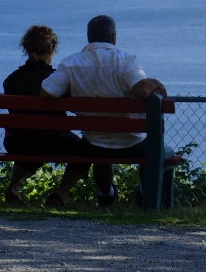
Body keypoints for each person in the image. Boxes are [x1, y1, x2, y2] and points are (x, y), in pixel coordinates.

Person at [40, 15, 167, 206]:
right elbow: (141, 90)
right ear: (113, 37)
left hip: (94, 142)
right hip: (132, 142)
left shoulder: (71, 64)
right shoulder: (124, 61)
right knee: (150, 146)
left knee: (98, 144)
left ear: (89, 37)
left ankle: (106, 194)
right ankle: (144, 192)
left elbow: (46, 92)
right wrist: (155, 82)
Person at [3, 25, 90, 206]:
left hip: (17, 142)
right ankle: (61, 193)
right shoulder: (56, 79)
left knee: (34, 141)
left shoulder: (11, 80)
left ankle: (13, 187)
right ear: (51, 48)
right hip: (51, 141)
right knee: (86, 149)